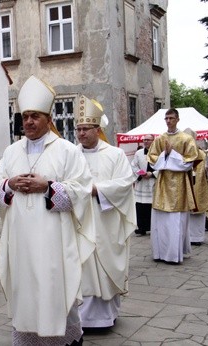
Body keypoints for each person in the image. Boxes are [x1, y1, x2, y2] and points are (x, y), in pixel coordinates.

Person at [0, 76, 94, 345]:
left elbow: (82, 191)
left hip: (54, 244)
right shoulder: (11, 152)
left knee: (53, 293)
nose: (29, 122)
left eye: (35, 116)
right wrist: (9, 184)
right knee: (25, 295)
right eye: (25, 117)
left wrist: (48, 187)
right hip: (20, 244)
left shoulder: (68, 151)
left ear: (49, 118)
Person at [75, 96, 136, 330]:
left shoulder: (115, 154)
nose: (81, 134)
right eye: (78, 129)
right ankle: (81, 318)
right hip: (79, 222)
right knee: (82, 267)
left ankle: (104, 317)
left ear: (97, 129)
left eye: (85, 129)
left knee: (103, 266)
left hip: (105, 220)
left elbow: (125, 183)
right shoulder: (71, 153)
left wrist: (97, 190)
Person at [147, 108, 199, 264]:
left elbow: (190, 162)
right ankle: (159, 253)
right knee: (160, 221)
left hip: (179, 185)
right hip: (162, 184)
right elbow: (152, 158)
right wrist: (165, 154)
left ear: (177, 119)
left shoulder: (186, 139)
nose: (168, 121)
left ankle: (173, 255)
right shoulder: (160, 139)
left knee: (175, 221)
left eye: (171, 118)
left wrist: (172, 154)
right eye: (166, 118)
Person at [184, 129, 208, 246]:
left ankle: (197, 238)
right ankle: (184, 237)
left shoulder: (203, 154)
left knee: (198, 212)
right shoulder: (180, 154)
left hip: (199, 186)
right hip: (185, 186)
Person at [130, 134, 157, 236]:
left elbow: (162, 167)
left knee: (151, 205)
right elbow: (133, 165)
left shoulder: (158, 152)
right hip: (142, 182)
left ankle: (152, 226)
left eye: (148, 140)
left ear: (153, 141)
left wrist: (152, 174)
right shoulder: (138, 153)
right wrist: (141, 173)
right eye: (144, 140)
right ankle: (141, 227)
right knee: (140, 205)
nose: (145, 141)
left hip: (153, 182)